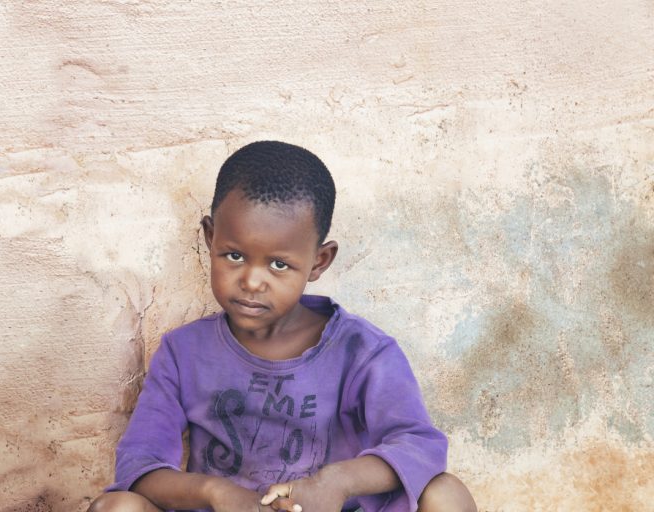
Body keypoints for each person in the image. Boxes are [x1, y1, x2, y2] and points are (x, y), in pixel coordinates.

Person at [88, 141, 477, 512]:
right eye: (234, 255)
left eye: (278, 264)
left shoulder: (363, 351)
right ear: (210, 238)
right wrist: (217, 493)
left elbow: (420, 446)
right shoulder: (183, 352)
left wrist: (335, 483)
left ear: (319, 262)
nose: (253, 281)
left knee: (446, 494)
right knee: (116, 507)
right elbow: (139, 465)